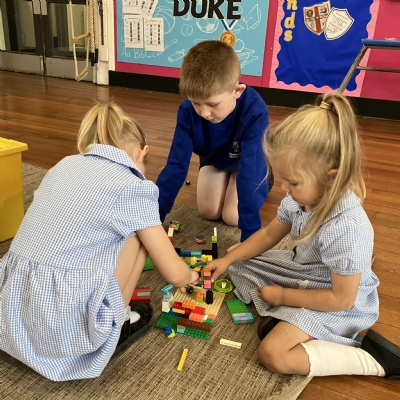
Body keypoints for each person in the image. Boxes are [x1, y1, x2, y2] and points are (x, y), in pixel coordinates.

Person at [0, 102, 199, 381]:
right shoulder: (134, 187)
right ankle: (118, 321)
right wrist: (192, 276)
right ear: (142, 151)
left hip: (10, 308)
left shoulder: (62, 165)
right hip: (61, 326)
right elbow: (174, 274)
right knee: (141, 234)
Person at [208, 93, 400, 379]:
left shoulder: (347, 229)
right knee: (239, 260)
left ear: (331, 176)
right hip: (306, 273)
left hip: (338, 301)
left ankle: (370, 360)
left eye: (293, 182)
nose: (284, 188)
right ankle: (294, 324)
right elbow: (269, 234)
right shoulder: (300, 198)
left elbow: (342, 300)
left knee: (273, 354)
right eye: (283, 179)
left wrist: (284, 296)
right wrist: (228, 260)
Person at [156, 40, 272, 243]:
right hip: (215, 160)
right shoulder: (187, 111)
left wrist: (250, 238)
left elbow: (250, 172)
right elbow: (176, 166)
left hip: (247, 162)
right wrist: (154, 220)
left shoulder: (255, 110)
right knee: (209, 211)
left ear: (237, 91)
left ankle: (268, 178)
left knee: (233, 216)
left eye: (212, 104)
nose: (204, 113)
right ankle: (226, 178)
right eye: (196, 103)